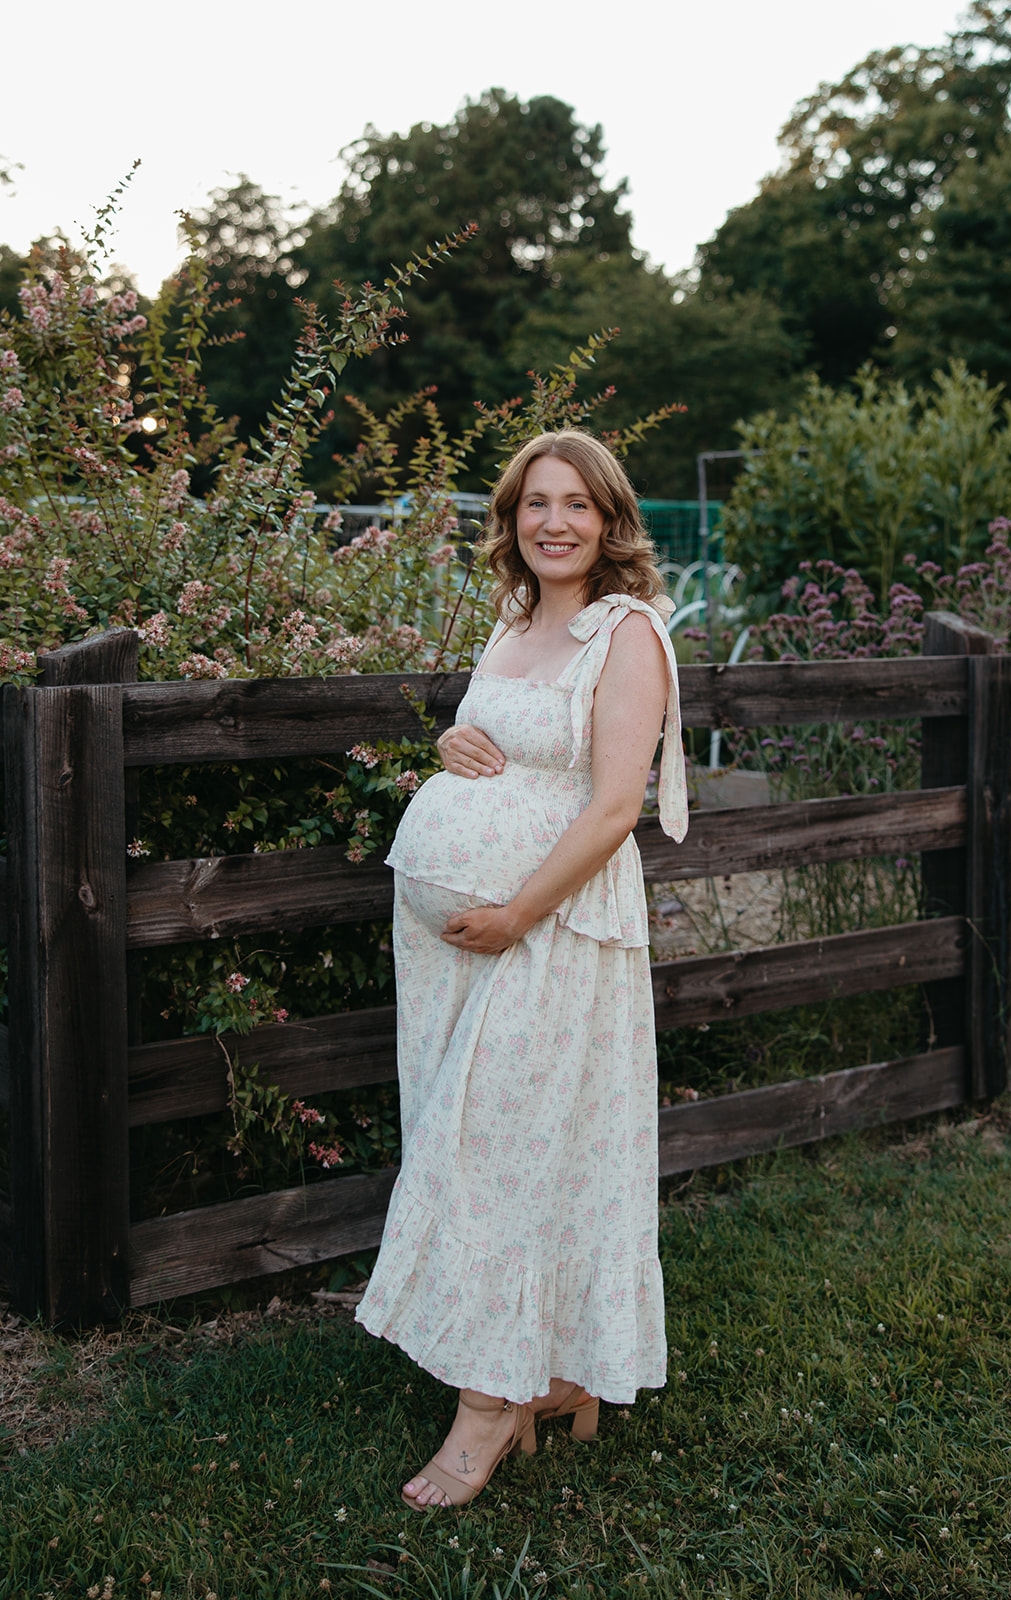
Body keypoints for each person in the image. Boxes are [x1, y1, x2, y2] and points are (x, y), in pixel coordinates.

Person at [355, 428, 688, 1510]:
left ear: (609, 521)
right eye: (535, 503)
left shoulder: (625, 632)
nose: (553, 522)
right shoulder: (512, 618)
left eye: (576, 505)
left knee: (508, 1141)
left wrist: (512, 917)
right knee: (470, 1142)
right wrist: (451, 745)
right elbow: (493, 742)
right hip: (462, 943)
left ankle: (489, 1410)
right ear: (510, 519)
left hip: (556, 925)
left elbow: (610, 806)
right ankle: (547, 1369)